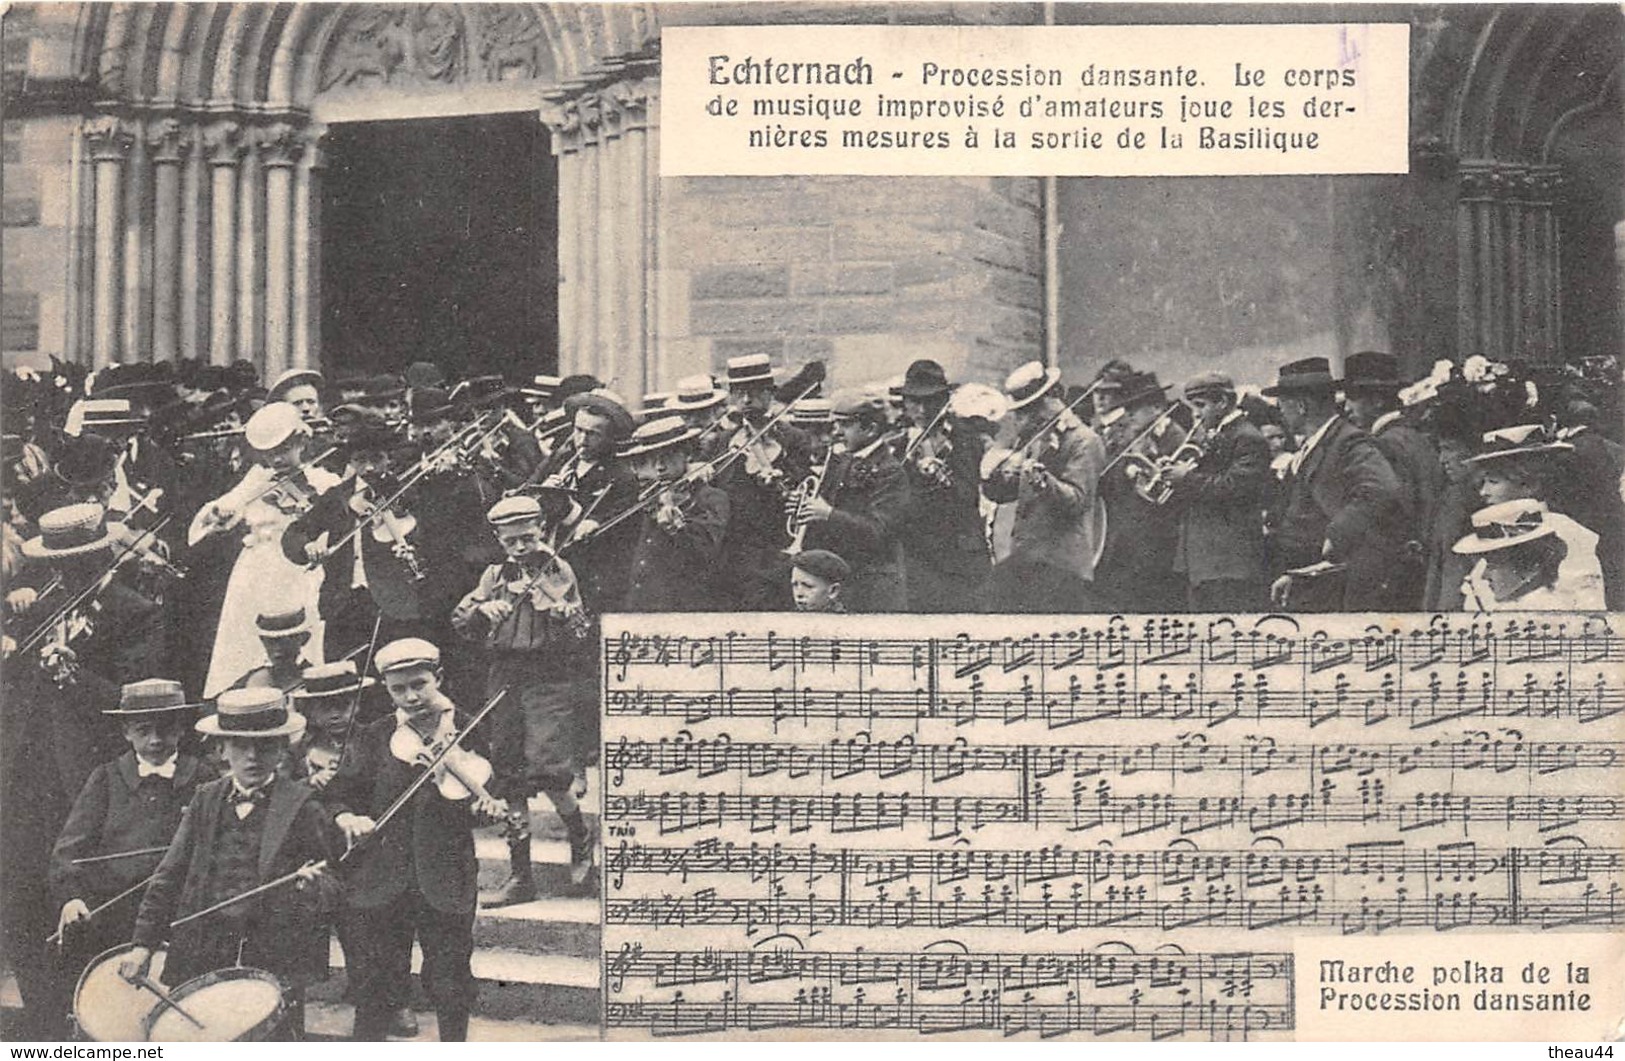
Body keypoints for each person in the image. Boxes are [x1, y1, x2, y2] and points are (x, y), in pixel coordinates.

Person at [121, 688, 336, 1040]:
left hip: (273, 958)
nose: (252, 757)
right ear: (222, 749)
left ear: (282, 748)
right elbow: (169, 876)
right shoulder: (205, 799)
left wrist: (311, 886)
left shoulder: (303, 805)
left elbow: (333, 882)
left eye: (265, 746)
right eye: (240, 745)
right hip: (203, 952)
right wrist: (142, 944)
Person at [324, 638, 504, 1042]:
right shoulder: (375, 734)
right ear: (386, 689)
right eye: (398, 689)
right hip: (382, 879)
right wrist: (348, 816)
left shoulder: (471, 728)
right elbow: (338, 793)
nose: (411, 697)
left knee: (451, 980)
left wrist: (487, 807)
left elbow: (497, 784)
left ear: (439, 677)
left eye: (420, 684)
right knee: (375, 985)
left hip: (446, 877)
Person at [452, 496, 595, 906]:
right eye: (511, 540)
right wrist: (483, 611)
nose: (520, 547)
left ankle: (580, 837)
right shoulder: (494, 574)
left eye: (528, 538)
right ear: (499, 539)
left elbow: (578, 631)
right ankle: (521, 875)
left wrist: (558, 610)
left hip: (547, 675)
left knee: (548, 768)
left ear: (543, 531)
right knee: (509, 769)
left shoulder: (558, 570)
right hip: (505, 675)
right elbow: (461, 621)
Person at [44, 680, 204, 1038]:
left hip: (181, 916)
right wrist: (71, 897)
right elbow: (69, 851)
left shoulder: (204, 778)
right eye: (144, 730)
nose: (155, 741)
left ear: (181, 727)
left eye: (165, 729)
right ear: (126, 731)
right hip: (114, 921)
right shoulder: (105, 778)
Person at [190, 402, 340, 697]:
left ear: (302, 442)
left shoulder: (324, 481)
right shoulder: (257, 479)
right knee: (248, 647)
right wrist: (220, 512)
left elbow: (335, 526)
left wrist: (321, 542)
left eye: (285, 448)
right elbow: (226, 508)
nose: (277, 458)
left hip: (300, 569)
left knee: (304, 638)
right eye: (270, 452)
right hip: (258, 571)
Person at [1263, 357, 1404, 611]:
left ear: (1301, 405)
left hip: (1333, 579)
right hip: (1306, 575)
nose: (1279, 411)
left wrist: (1337, 536)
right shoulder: (1315, 443)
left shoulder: (1348, 441)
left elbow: (1382, 488)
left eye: (1282, 404)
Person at [982, 361, 1108, 613]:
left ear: (1051, 401)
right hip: (1027, 561)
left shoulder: (1084, 441)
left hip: (1062, 566)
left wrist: (1043, 482)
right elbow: (1005, 494)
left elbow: (1077, 500)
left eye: (1028, 410)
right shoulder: (1038, 438)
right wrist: (995, 476)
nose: (1022, 420)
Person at [1341, 351, 1443, 609]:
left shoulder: (1385, 443)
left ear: (1375, 401)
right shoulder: (1414, 436)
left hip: (1396, 570)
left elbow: (1394, 511)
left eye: (1353, 398)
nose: (1346, 407)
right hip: (1424, 561)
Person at [712, 354, 814, 610]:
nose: (747, 401)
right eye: (740, 393)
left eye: (756, 393)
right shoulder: (722, 442)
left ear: (770, 394)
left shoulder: (794, 438)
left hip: (774, 553)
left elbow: (801, 492)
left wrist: (776, 472)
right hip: (730, 555)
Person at [789, 392, 906, 612]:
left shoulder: (890, 471)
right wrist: (803, 507)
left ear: (870, 429)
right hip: (842, 579)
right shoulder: (841, 460)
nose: (837, 432)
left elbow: (878, 531)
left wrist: (828, 514)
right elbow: (824, 507)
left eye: (845, 425)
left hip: (872, 582)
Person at [1466, 424, 1605, 606]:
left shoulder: (1569, 534)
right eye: (1482, 483)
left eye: (1494, 481)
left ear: (1528, 484)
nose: (1484, 492)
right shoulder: (1488, 534)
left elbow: (1586, 606)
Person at [1167, 371, 1271, 611]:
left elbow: (1235, 488)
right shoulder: (1216, 434)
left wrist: (1187, 477)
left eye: (1201, 405)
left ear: (1223, 402)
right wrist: (1174, 474)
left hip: (1229, 561)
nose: (1195, 413)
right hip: (1205, 561)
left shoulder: (1247, 437)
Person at [891, 360, 990, 612]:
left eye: (930, 401)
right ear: (905, 403)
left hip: (959, 557)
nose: (922, 410)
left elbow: (968, 499)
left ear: (944, 401)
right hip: (916, 558)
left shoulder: (966, 440)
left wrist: (938, 475)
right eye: (915, 401)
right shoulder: (897, 446)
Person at [615, 416, 731, 612]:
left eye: (667, 456)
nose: (659, 466)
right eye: (652, 458)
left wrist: (678, 527)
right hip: (640, 603)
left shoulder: (711, 498)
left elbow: (706, 551)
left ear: (687, 454)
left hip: (683, 607)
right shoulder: (648, 497)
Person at [1093, 371, 1186, 613]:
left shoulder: (1176, 438)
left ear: (1156, 408)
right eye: (1127, 408)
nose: (1129, 414)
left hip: (1161, 541)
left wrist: (1151, 464)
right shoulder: (1132, 437)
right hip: (1128, 539)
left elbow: (1178, 493)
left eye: (1135, 408)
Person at [1454, 499, 1606, 611]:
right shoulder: (1488, 603)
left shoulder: (1562, 606)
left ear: (1530, 565)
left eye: (1493, 565)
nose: (1483, 576)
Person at [286, 660, 374, 789]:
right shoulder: (299, 748)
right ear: (311, 711)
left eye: (343, 705)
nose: (335, 715)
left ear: (357, 705)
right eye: (324, 708)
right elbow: (282, 787)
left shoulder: (373, 739)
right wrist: (310, 782)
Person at [234, 606, 318, 693]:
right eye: (270, 641)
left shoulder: (315, 680)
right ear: (262, 640)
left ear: (304, 639)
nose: (278, 648)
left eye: (285, 641)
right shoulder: (251, 679)